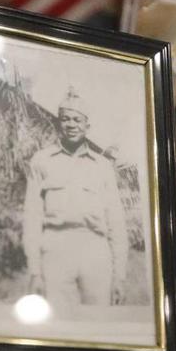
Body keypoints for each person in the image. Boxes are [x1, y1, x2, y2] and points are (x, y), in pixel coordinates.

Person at [22, 87, 128, 312]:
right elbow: (32, 217)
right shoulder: (41, 161)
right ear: (58, 123)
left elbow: (116, 222)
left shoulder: (103, 167)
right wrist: (35, 271)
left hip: (95, 251)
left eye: (77, 120)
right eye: (65, 119)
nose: (71, 125)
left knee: (98, 321)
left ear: (87, 125)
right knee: (57, 323)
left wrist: (119, 276)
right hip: (55, 249)